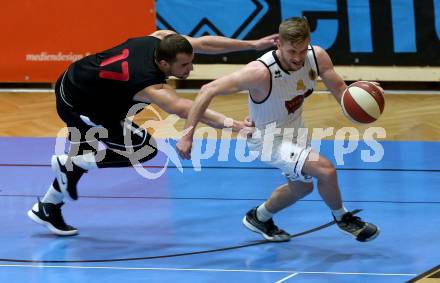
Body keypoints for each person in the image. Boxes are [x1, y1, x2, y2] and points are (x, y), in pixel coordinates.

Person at [27, 29, 277, 236]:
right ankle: (71, 167)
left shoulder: (161, 40)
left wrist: (253, 44)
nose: (190, 70)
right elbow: (188, 109)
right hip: (81, 105)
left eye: (191, 62)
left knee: (75, 164)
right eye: (184, 65)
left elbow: (203, 43)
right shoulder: (150, 85)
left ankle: (47, 207)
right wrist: (237, 126)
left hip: (77, 79)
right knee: (143, 149)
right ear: (163, 63)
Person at [177, 17, 380, 242]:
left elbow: (341, 90)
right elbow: (207, 90)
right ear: (279, 45)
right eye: (292, 51)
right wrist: (187, 135)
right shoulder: (260, 72)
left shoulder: (317, 57)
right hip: (267, 139)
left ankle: (259, 217)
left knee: (302, 188)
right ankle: (343, 219)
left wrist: (363, 94)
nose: (297, 58)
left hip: (295, 131)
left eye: (302, 51)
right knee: (326, 170)